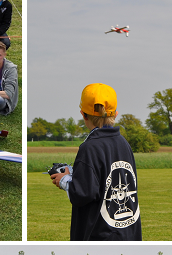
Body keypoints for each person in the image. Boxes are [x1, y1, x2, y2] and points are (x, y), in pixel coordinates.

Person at [50, 83, 142, 241]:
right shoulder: (123, 143)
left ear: (83, 114)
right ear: (116, 113)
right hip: (128, 233)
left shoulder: (89, 147)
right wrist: (76, 173)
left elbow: (84, 193)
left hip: (101, 234)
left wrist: (64, 180)